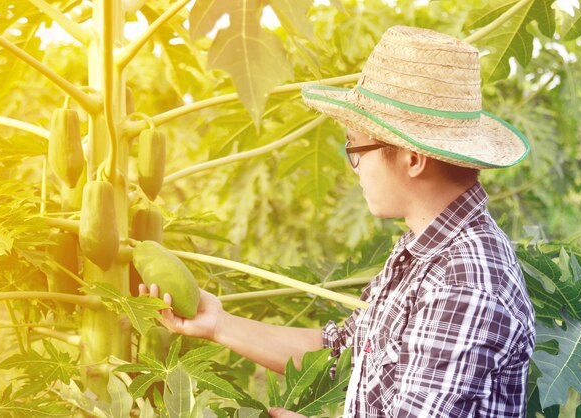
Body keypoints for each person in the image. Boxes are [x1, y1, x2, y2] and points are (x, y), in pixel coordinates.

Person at [140, 26, 536, 417]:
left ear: (413, 159)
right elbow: (343, 354)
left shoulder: (465, 281)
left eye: (356, 147)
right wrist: (218, 325)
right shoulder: (422, 252)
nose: (355, 167)